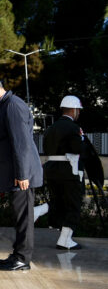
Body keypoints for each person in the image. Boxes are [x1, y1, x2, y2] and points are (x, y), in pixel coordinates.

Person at [0, 76, 43, 271]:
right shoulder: (3, 106)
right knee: (18, 215)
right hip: (14, 172)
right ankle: (18, 254)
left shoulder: (13, 106)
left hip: (20, 175)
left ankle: (23, 258)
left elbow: (21, 142)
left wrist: (22, 174)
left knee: (24, 216)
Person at [42, 95, 84, 250]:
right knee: (73, 204)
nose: (78, 113)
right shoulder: (73, 128)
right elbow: (78, 149)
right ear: (73, 110)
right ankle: (65, 240)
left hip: (52, 168)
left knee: (58, 202)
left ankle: (39, 210)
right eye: (78, 110)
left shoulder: (51, 128)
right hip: (69, 170)